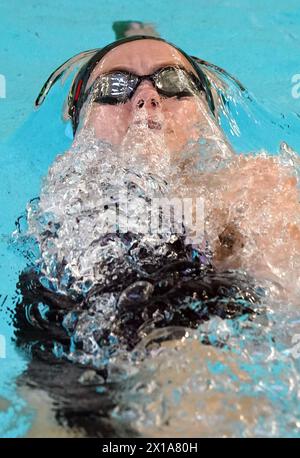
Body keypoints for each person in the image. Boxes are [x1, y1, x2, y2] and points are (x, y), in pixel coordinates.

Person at [36, 35, 300, 301]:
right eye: (113, 87)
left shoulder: (252, 186)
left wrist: (239, 232)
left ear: (207, 116)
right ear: (82, 121)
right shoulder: (65, 204)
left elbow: (287, 303)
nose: (147, 97)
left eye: (174, 82)